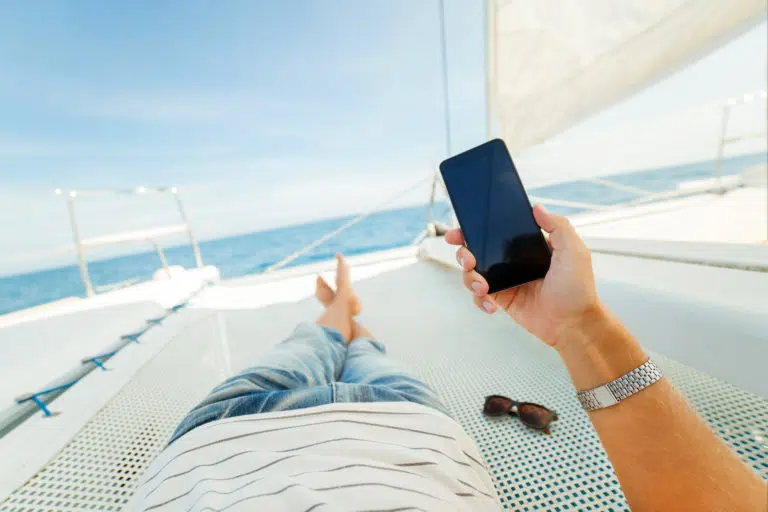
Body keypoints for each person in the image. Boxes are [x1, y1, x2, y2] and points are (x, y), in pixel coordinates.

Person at [133, 206, 765, 511]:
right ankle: (347, 311)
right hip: (405, 431)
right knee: (358, 348)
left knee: (312, 342)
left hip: (228, 435)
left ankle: (341, 307)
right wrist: (577, 323)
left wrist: (579, 323)